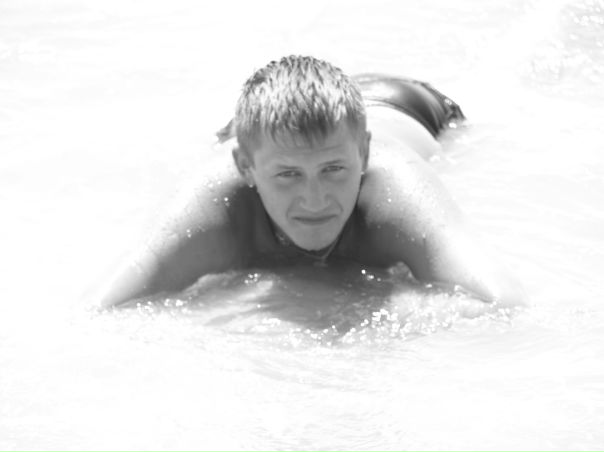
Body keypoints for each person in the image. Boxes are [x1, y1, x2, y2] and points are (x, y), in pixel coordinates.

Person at [93, 55, 524, 309]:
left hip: (406, 105)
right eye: (288, 177)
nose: (315, 199)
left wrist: (405, 313)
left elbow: (502, 301)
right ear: (245, 167)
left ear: (364, 154)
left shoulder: (395, 190)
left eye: (334, 171)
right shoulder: (214, 205)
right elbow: (102, 309)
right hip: (268, 125)